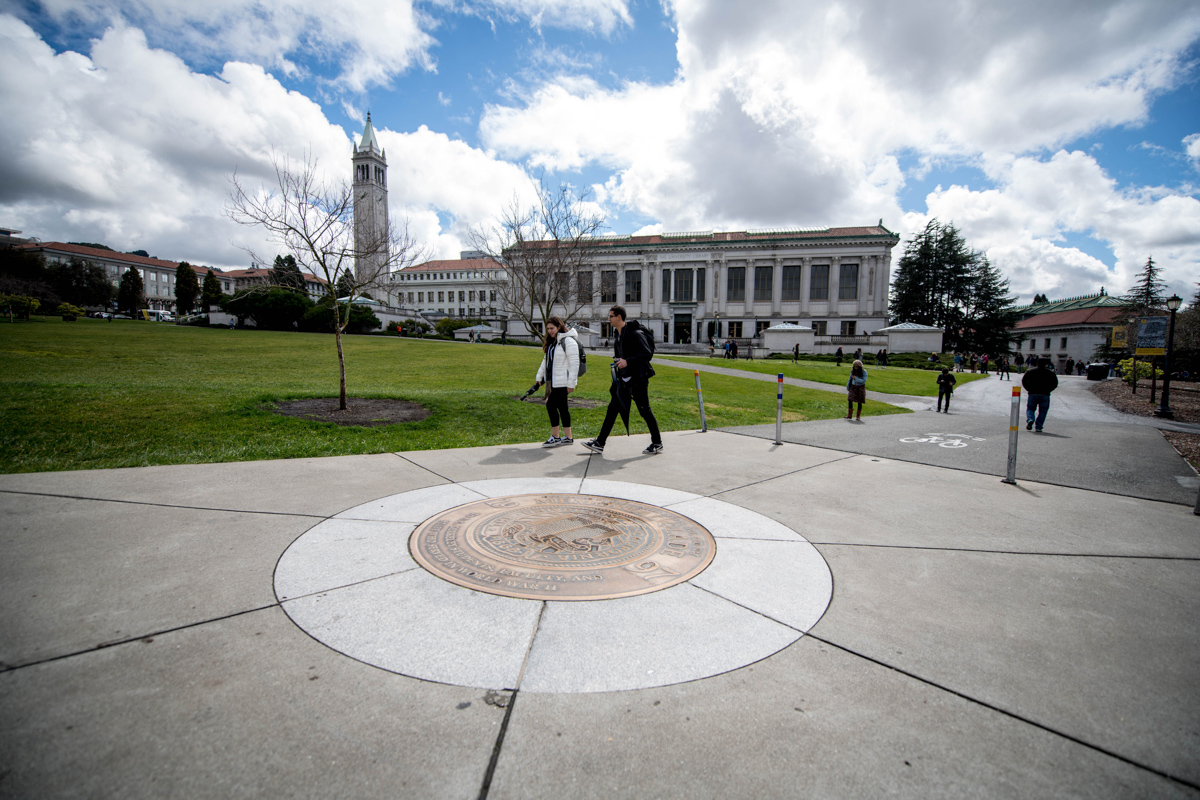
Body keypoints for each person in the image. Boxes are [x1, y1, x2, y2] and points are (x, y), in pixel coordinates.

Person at [583, 306, 662, 455]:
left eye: (611, 316)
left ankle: (657, 442)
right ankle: (600, 443)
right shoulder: (618, 335)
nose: (609, 319)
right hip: (624, 380)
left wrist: (628, 361)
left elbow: (646, 354)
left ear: (619, 317)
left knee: (644, 411)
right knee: (612, 409)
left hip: (638, 379)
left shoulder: (635, 333)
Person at [534, 316, 580, 448]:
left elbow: (574, 363)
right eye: (548, 329)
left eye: (552, 328)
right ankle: (568, 437)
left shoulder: (568, 341)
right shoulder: (553, 342)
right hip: (554, 382)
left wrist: (572, 383)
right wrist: (539, 376)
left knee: (551, 405)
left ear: (559, 326)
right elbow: (546, 361)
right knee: (563, 408)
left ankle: (556, 436)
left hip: (562, 382)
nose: (549, 331)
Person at [1021, 358, 1059, 432]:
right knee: (1043, 411)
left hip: (1033, 393)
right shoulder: (1050, 373)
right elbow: (1055, 383)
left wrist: (1028, 389)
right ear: (1046, 364)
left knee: (1030, 408)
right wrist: (1049, 390)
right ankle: (1038, 426)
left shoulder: (1030, 371)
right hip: (1045, 394)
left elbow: (1024, 381)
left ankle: (1030, 419)